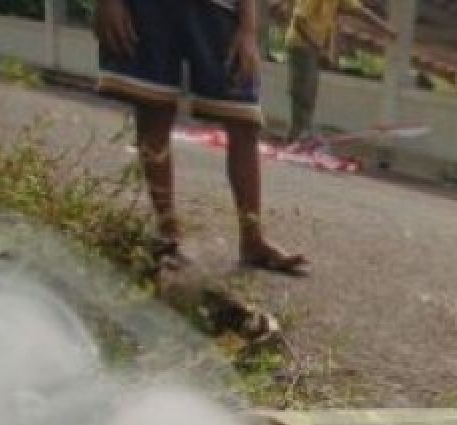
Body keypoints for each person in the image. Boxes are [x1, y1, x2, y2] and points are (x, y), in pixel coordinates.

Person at [94, 0, 307, 275]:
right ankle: (168, 232)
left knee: (244, 121)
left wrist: (249, 29)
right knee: (153, 112)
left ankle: (252, 239)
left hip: (221, 9)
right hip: (149, 10)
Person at [284, 0, 396, 141]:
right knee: (303, 92)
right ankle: (298, 135)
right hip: (300, 44)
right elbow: (299, 20)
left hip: (313, 47)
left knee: (310, 92)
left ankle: (300, 134)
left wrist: (386, 29)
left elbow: (360, 12)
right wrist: (317, 47)